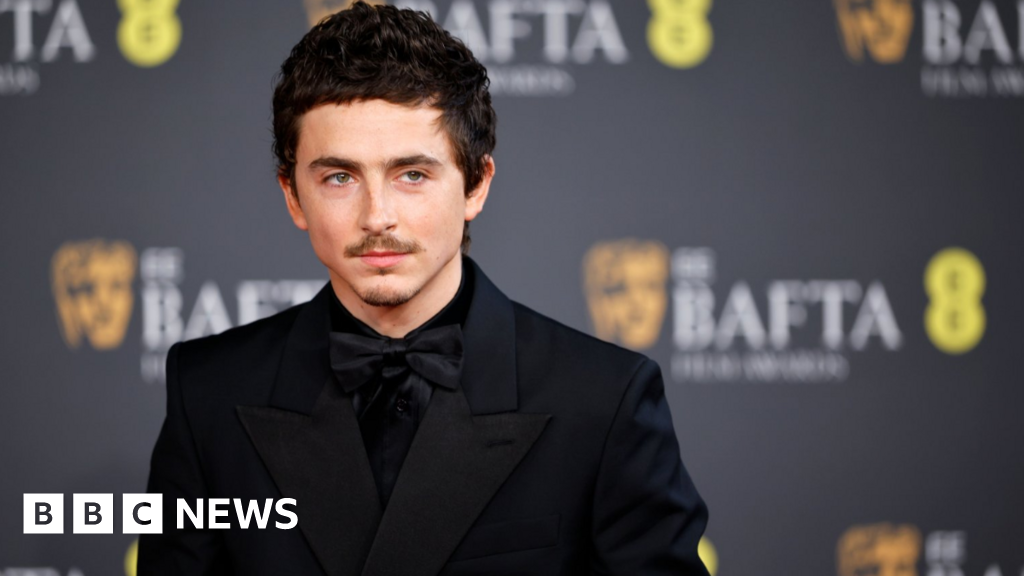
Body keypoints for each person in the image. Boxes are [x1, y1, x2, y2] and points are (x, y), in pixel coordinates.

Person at [137, 2, 709, 574]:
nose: (377, 216)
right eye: (339, 177)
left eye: (412, 175)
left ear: (475, 185)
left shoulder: (603, 400)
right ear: (293, 197)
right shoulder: (208, 393)